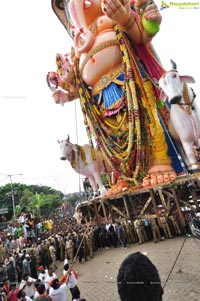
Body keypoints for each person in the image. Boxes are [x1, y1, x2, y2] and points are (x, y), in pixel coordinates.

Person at [49, 0, 178, 196]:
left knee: (145, 121)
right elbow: (78, 82)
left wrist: (126, 18)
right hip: (99, 98)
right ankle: (121, 176)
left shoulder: (111, 14)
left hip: (127, 79)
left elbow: (142, 35)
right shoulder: (79, 40)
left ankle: (159, 163)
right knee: (111, 140)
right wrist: (67, 95)